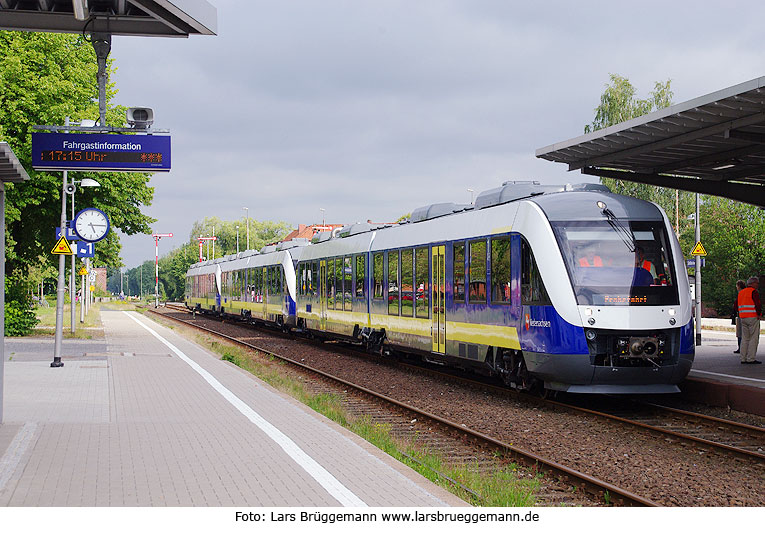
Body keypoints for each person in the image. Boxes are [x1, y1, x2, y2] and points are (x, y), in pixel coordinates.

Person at [737, 276, 762, 364]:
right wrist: (759, 314)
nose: (758, 285)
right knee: (753, 338)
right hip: (752, 317)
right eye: (757, 283)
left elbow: (736, 305)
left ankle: (743, 358)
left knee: (745, 338)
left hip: (743, 317)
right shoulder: (754, 292)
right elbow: (757, 304)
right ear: (752, 283)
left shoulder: (741, 292)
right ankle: (751, 358)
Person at [732, 279, 746, 354]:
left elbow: (737, 304)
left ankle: (740, 348)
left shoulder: (741, 293)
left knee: (740, 332)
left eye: (737, 286)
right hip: (742, 314)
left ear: (739, 286)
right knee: (741, 332)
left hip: (741, 314)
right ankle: (741, 348)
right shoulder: (744, 293)